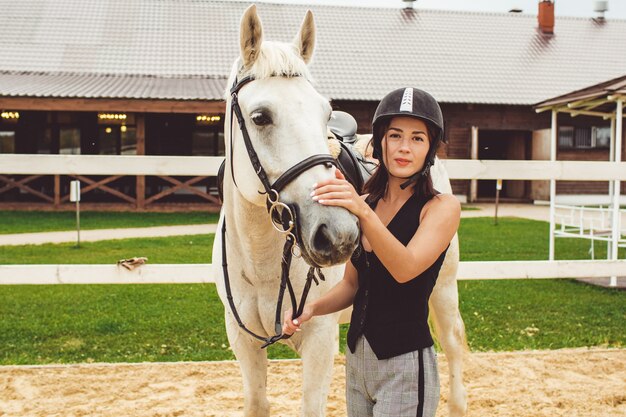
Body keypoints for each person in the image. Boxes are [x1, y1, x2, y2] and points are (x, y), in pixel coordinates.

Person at [282, 87, 460, 417]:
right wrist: (312, 308)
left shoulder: (441, 208)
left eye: (417, 138)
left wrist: (362, 212)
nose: (404, 147)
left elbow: (405, 269)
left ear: (430, 148)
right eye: (395, 136)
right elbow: (352, 285)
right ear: (381, 141)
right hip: (358, 362)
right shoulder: (367, 204)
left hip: (406, 365)